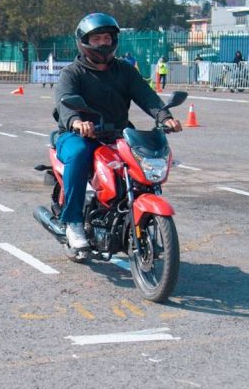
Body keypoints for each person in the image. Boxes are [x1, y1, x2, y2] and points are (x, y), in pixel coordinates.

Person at [54, 13, 181, 251]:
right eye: (97, 38)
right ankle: (73, 222)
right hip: (78, 135)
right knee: (79, 153)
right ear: (84, 41)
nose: (103, 43)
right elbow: (63, 102)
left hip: (118, 134)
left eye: (107, 37)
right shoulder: (72, 73)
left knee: (142, 157)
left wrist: (164, 116)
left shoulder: (125, 70)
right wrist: (76, 121)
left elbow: (146, 96)